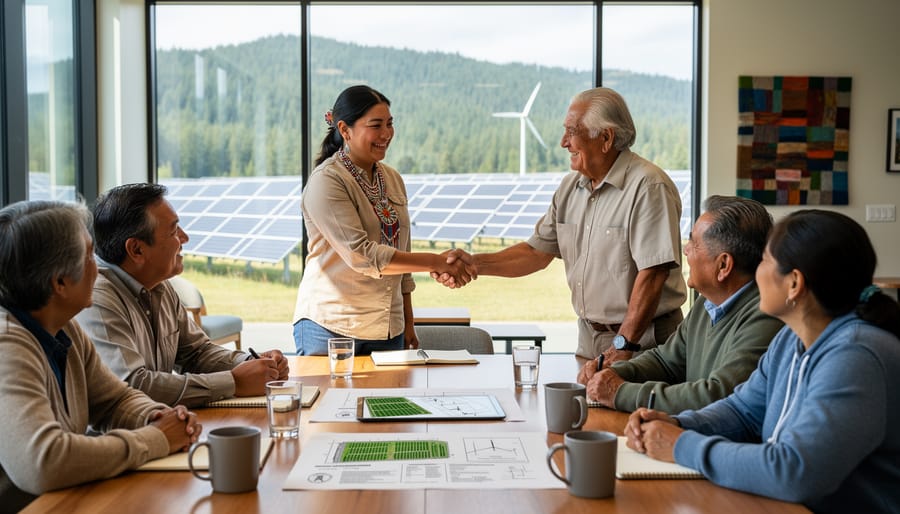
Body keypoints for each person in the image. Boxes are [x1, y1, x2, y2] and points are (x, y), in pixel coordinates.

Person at [625, 210, 900, 513]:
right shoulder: (790, 340)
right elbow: (743, 411)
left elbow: (793, 472)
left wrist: (680, 445)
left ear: (794, 283)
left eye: (766, 260)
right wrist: (677, 423)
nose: (755, 271)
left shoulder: (856, 356)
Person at [435, 87, 686, 360]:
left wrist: (623, 346)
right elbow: (535, 253)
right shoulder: (570, 188)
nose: (563, 142)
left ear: (605, 138)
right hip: (591, 341)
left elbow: (652, 275)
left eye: (571, 131)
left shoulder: (648, 187)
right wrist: (473, 264)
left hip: (644, 344)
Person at [0, 201, 201, 511]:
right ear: (60, 283)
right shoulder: (7, 346)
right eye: (88, 256)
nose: (99, 265)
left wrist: (156, 415)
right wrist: (157, 438)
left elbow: (115, 400)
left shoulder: (64, 328)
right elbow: (44, 462)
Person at [292, 85, 474, 356]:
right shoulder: (327, 181)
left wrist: (408, 322)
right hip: (331, 327)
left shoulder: (392, 178)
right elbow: (362, 255)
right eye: (376, 125)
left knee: (388, 400)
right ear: (344, 130)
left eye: (390, 124)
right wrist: (436, 262)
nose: (386, 134)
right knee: (331, 400)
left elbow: (404, 258)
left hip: (389, 328)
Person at [75, 183, 289, 408]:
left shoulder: (159, 285)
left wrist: (254, 364)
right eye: (174, 231)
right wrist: (233, 381)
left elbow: (196, 353)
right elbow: (133, 385)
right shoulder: (97, 298)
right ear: (137, 250)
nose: (185, 238)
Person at [577, 195, 783, 412]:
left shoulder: (764, 315)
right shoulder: (707, 303)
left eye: (694, 243)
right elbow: (666, 361)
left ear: (723, 265)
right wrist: (615, 372)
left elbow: (718, 395)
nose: (686, 250)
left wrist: (620, 392)